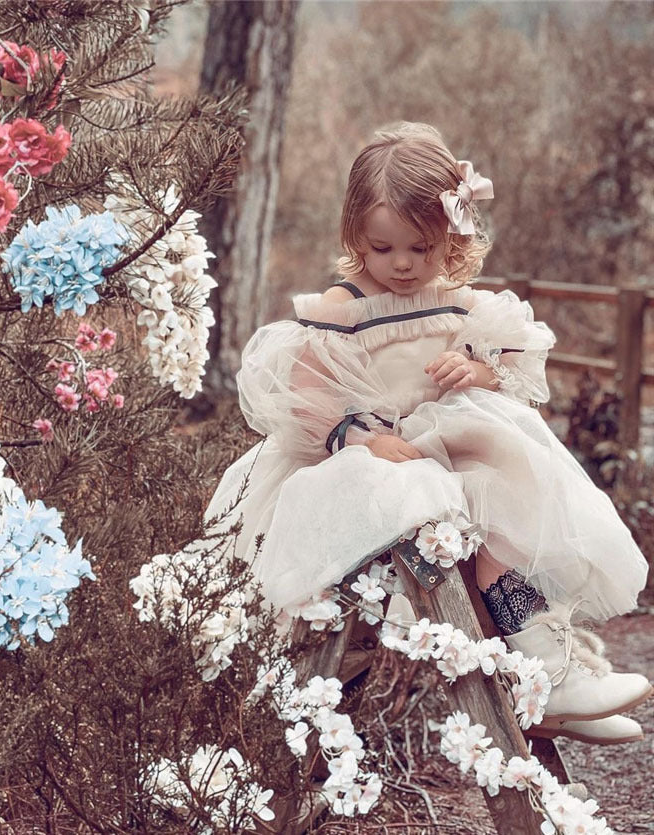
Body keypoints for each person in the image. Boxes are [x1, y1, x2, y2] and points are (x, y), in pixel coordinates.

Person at [203, 122, 651, 744]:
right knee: (432, 500)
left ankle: (547, 679)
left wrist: (476, 369)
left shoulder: (459, 304)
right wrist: (357, 438)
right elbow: (306, 402)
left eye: (423, 248)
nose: (405, 265)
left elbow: (511, 370)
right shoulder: (342, 307)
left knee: (507, 502)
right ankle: (541, 685)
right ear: (357, 234)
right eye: (384, 249)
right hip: (367, 463)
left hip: (448, 453)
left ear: (451, 236)